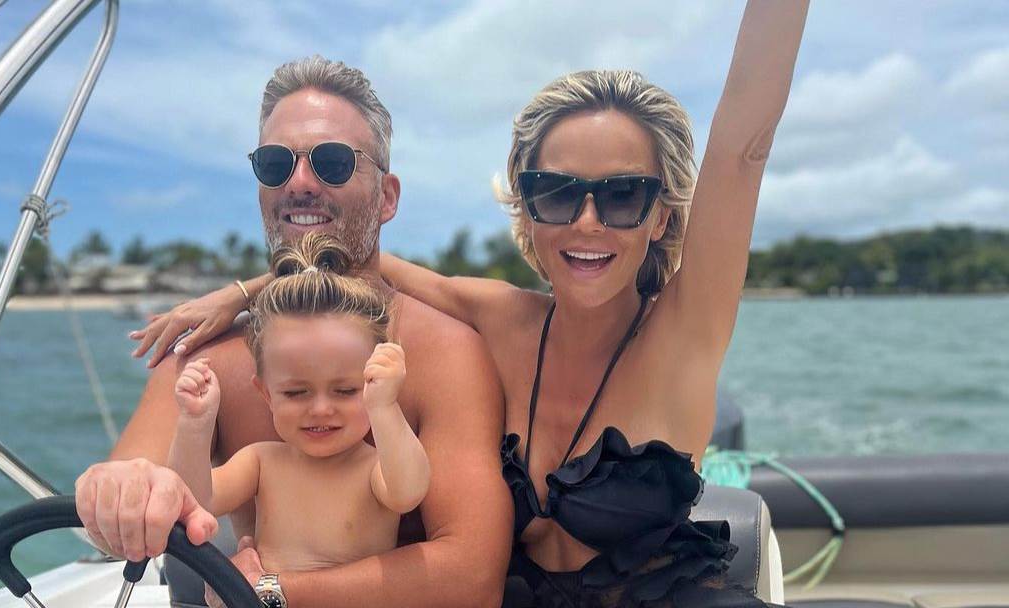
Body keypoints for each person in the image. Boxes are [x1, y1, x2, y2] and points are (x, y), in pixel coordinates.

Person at [131, 1, 808, 604]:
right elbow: (355, 253)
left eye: (623, 195)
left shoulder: (685, 331)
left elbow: (743, 150)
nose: (587, 222)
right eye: (557, 193)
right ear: (528, 210)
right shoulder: (502, 319)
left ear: (661, 216)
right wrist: (246, 292)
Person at [76, 56, 511, 608]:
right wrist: (113, 492)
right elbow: (129, 489)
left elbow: (472, 576)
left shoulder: (444, 353)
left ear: (386, 197)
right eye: (275, 164)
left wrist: (266, 593)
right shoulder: (209, 358)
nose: (299, 182)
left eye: (332, 163)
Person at [169, 233, 430, 606]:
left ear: (371, 385)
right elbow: (195, 502)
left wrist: (386, 407)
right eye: (296, 393)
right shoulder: (261, 461)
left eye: (345, 391)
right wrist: (195, 426)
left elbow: (409, 490)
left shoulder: (375, 468)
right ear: (266, 394)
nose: (321, 409)